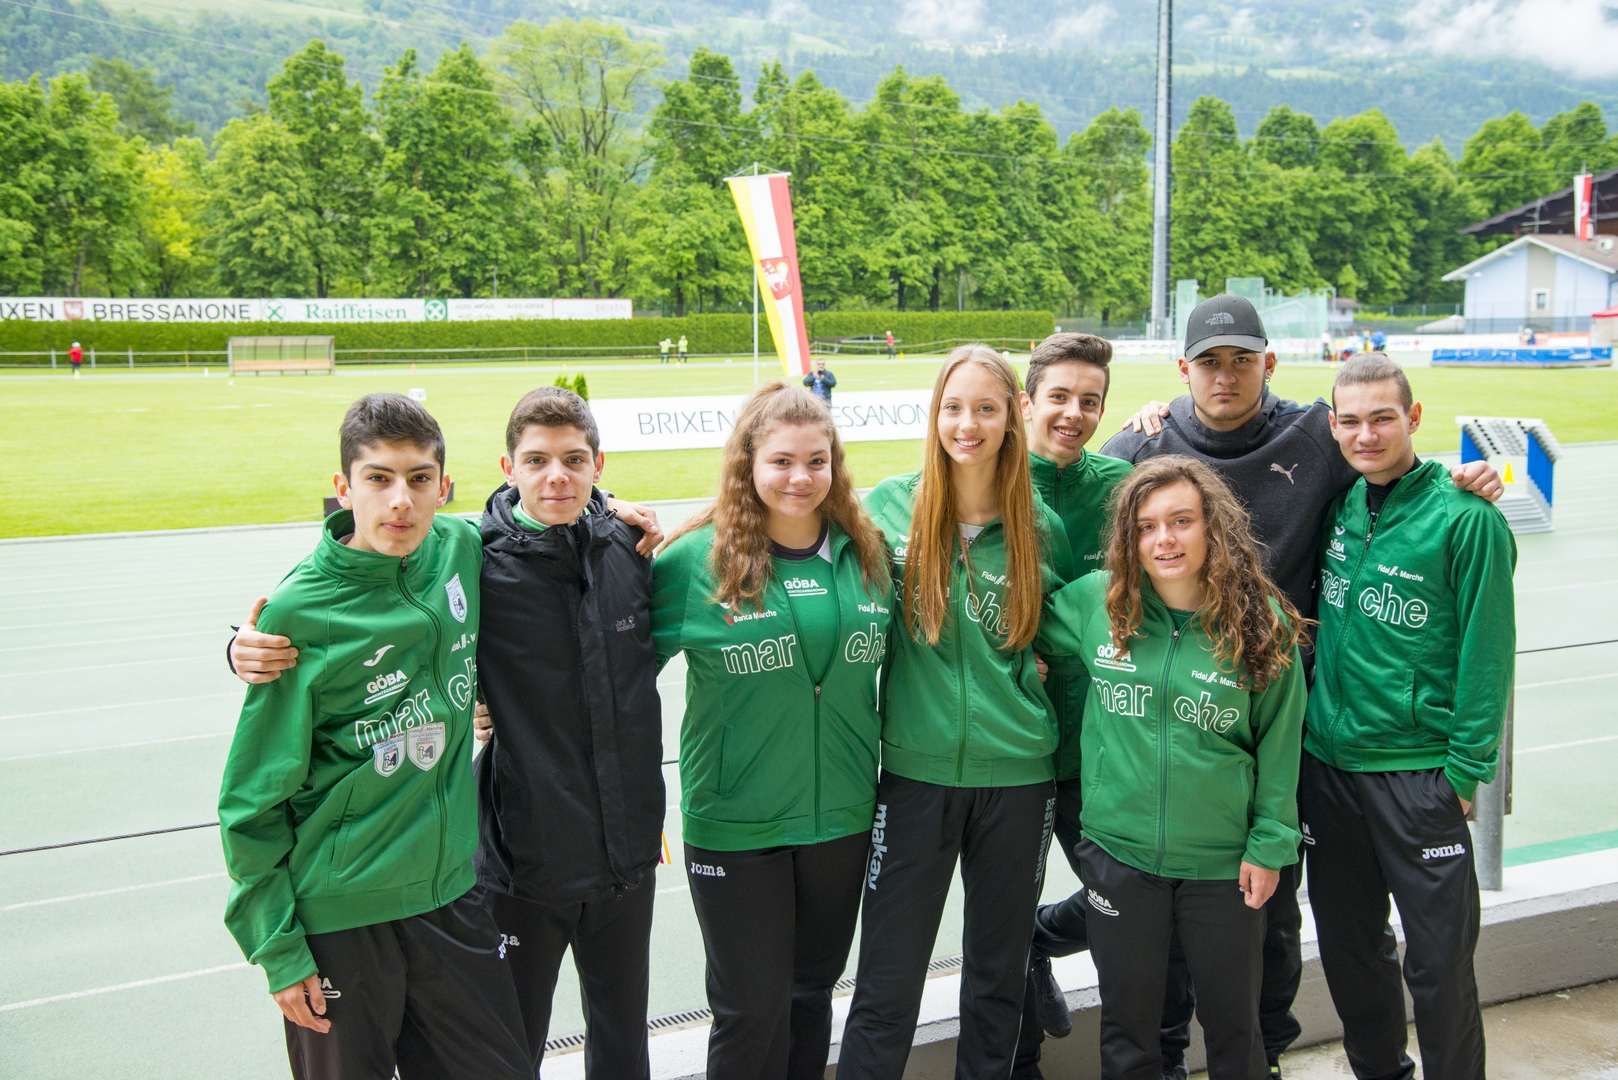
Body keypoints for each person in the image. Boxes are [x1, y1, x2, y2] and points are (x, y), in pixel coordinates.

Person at [1101, 294, 1501, 1079]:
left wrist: (1469, 477)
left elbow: (1389, 464)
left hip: (1292, 729)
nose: (1225, 376)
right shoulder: (1142, 442)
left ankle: (1266, 1055)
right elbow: (1082, 508)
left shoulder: (1318, 435)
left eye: (1241, 360)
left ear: (1270, 364)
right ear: (1183, 371)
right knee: (1181, 905)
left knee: (1279, 913)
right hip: (1194, 723)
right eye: (1209, 363)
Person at [217, 393, 530, 1080]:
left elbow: (541, 506)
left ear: (443, 487)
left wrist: (613, 508)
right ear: (344, 488)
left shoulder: (460, 547)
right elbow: (250, 802)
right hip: (341, 919)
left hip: (452, 895)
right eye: (378, 478)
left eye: (419, 479)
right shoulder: (299, 612)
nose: (400, 501)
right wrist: (279, 950)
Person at [837, 345, 1075, 1078]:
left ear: (1012, 419)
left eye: (985, 409)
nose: (967, 424)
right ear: (934, 414)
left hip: (1020, 781)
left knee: (998, 981)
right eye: (953, 407)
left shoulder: (1042, 526)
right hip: (915, 777)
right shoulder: (888, 506)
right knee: (887, 983)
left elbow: (1063, 639)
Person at [1036, 455, 1307, 1080]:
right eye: (1146, 526)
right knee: (1128, 1034)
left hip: (1223, 867)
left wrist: (1270, 845)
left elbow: (1280, 745)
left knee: (1237, 1034)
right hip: (1120, 855)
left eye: (1181, 521)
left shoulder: (1260, 623)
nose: (1164, 539)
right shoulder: (1096, 603)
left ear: (1213, 526)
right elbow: (1016, 629)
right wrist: (1035, 666)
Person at [653, 381, 895, 1079]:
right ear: (749, 464)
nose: (801, 477)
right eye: (782, 461)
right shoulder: (693, 562)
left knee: (811, 995)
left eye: (817, 461)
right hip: (737, 824)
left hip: (841, 818)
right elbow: (613, 671)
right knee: (749, 1011)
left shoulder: (868, 554)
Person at [1303, 353, 1516, 1080]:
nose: (1366, 435)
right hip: (1329, 772)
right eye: (1351, 421)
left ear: (1413, 417)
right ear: (1334, 427)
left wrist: (1463, 775)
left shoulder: (1468, 518)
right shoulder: (1338, 505)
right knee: (1351, 953)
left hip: (1419, 778)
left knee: (1439, 966)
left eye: (1382, 418)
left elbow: (1488, 655)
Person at [1011, 332, 1133, 1073]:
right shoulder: (984, 481)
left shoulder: (1123, 484)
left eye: (1091, 401)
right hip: (1012, 749)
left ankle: (1041, 937)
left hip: (1100, 747)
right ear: (1026, 402)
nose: (1073, 414)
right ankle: (1021, 1060)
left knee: (1130, 897)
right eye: (1059, 397)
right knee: (997, 925)